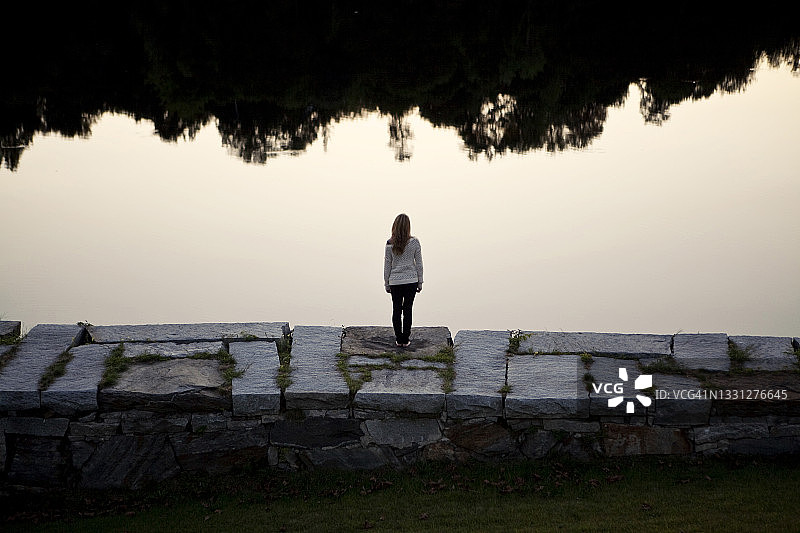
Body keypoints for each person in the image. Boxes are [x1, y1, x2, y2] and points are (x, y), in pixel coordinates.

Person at [384, 213, 423, 347]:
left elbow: (387, 265)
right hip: (411, 281)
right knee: (408, 309)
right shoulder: (414, 242)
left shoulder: (390, 243)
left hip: (395, 282)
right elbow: (419, 264)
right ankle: (405, 339)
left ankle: (398, 339)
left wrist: (386, 283)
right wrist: (420, 281)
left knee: (396, 309)